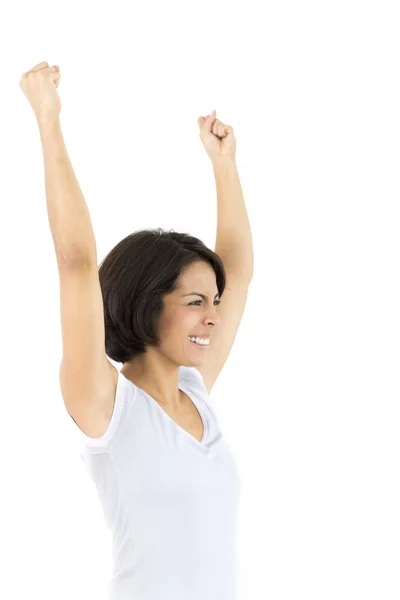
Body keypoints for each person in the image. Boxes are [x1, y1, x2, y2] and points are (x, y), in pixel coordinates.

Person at [19, 61, 254, 600]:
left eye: (213, 302)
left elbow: (236, 270)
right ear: (147, 306)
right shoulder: (107, 406)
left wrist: (224, 166)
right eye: (195, 302)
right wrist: (48, 121)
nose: (214, 316)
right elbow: (76, 261)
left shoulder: (196, 394)